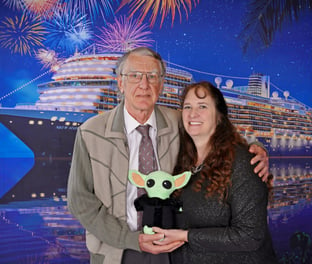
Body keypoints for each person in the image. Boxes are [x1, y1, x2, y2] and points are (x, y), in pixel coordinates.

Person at [67, 47, 270, 264]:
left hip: (172, 248)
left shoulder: (179, 121)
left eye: (152, 76)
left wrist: (255, 147)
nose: (144, 85)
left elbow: (215, 130)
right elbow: (79, 201)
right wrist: (130, 239)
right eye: (135, 75)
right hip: (116, 250)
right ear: (120, 82)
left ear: (161, 84)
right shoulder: (91, 132)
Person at [151, 81, 277, 263]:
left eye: (202, 106)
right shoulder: (182, 161)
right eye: (187, 107)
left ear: (219, 116)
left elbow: (250, 236)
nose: (193, 114)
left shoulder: (243, 162)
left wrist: (186, 236)